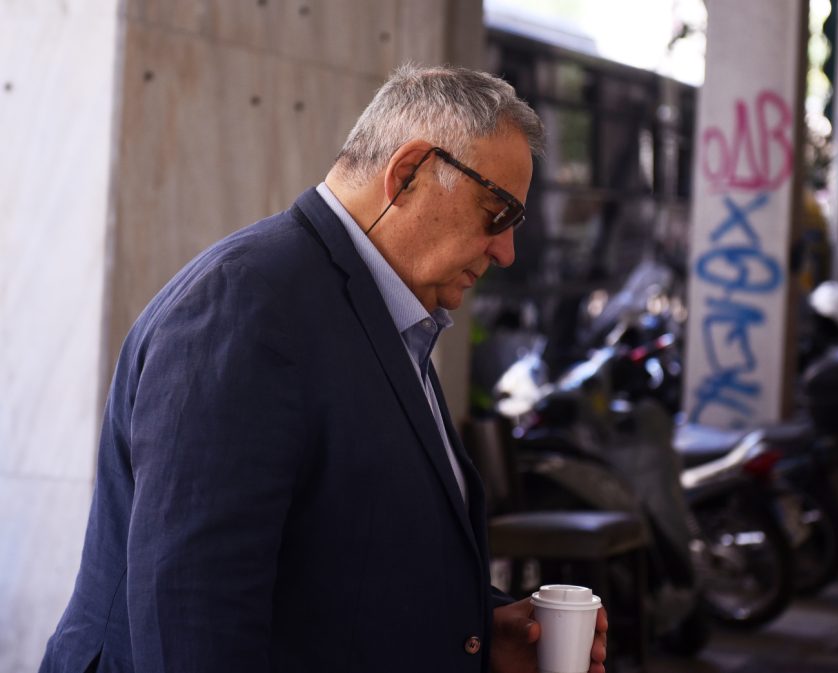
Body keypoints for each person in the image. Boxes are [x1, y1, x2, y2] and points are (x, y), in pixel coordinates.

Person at [40, 64, 608, 673]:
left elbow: (346, 557)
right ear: (409, 173)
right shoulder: (245, 307)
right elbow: (192, 610)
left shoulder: (373, 308)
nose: (506, 250)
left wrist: (479, 633)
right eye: (496, 212)